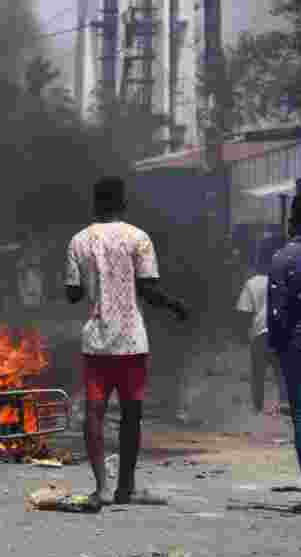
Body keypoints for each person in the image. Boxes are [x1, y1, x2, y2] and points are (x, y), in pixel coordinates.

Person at [65, 176, 191, 507]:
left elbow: (72, 294)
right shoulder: (139, 238)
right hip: (132, 342)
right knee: (131, 414)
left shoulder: (78, 241)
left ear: (95, 204)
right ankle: (127, 487)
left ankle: (102, 488)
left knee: (94, 413)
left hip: (96, 341)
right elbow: (149, 290)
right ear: (123, 203)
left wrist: (92, 281)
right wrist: (176, 305)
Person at [268, 173, 301, 513]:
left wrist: (277, 348)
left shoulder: (283, 258)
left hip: (299, 346)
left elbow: (277, 314)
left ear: (293, 220)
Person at [237, 246, 287, 416]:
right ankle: (284, 403)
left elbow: (245, 312)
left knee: (258, 372)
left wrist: (245, 334)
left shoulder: (252, 283)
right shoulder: (284, 280)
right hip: (280, 331)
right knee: (281, 371)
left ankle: (257, 407)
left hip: (259, 333)